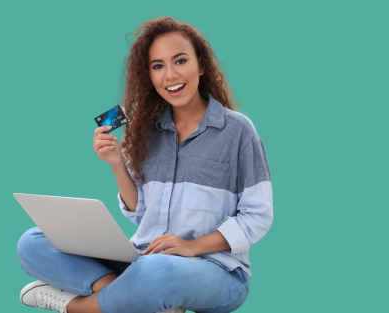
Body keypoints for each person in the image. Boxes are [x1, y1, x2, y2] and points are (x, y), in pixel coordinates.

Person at [17, 16, 273, 313]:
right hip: (143, 258)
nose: (170, 75)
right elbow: (141, 215)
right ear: (149, 75)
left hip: (215, 270)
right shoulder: (147, 131)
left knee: (159, 274)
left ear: (200, 65)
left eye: (180, 61)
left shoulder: (238, 130)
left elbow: (257, 215)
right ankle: (131, 295)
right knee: (33, 241)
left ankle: (78, 307)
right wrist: (116, 164)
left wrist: (191, 246)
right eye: (157, 66)